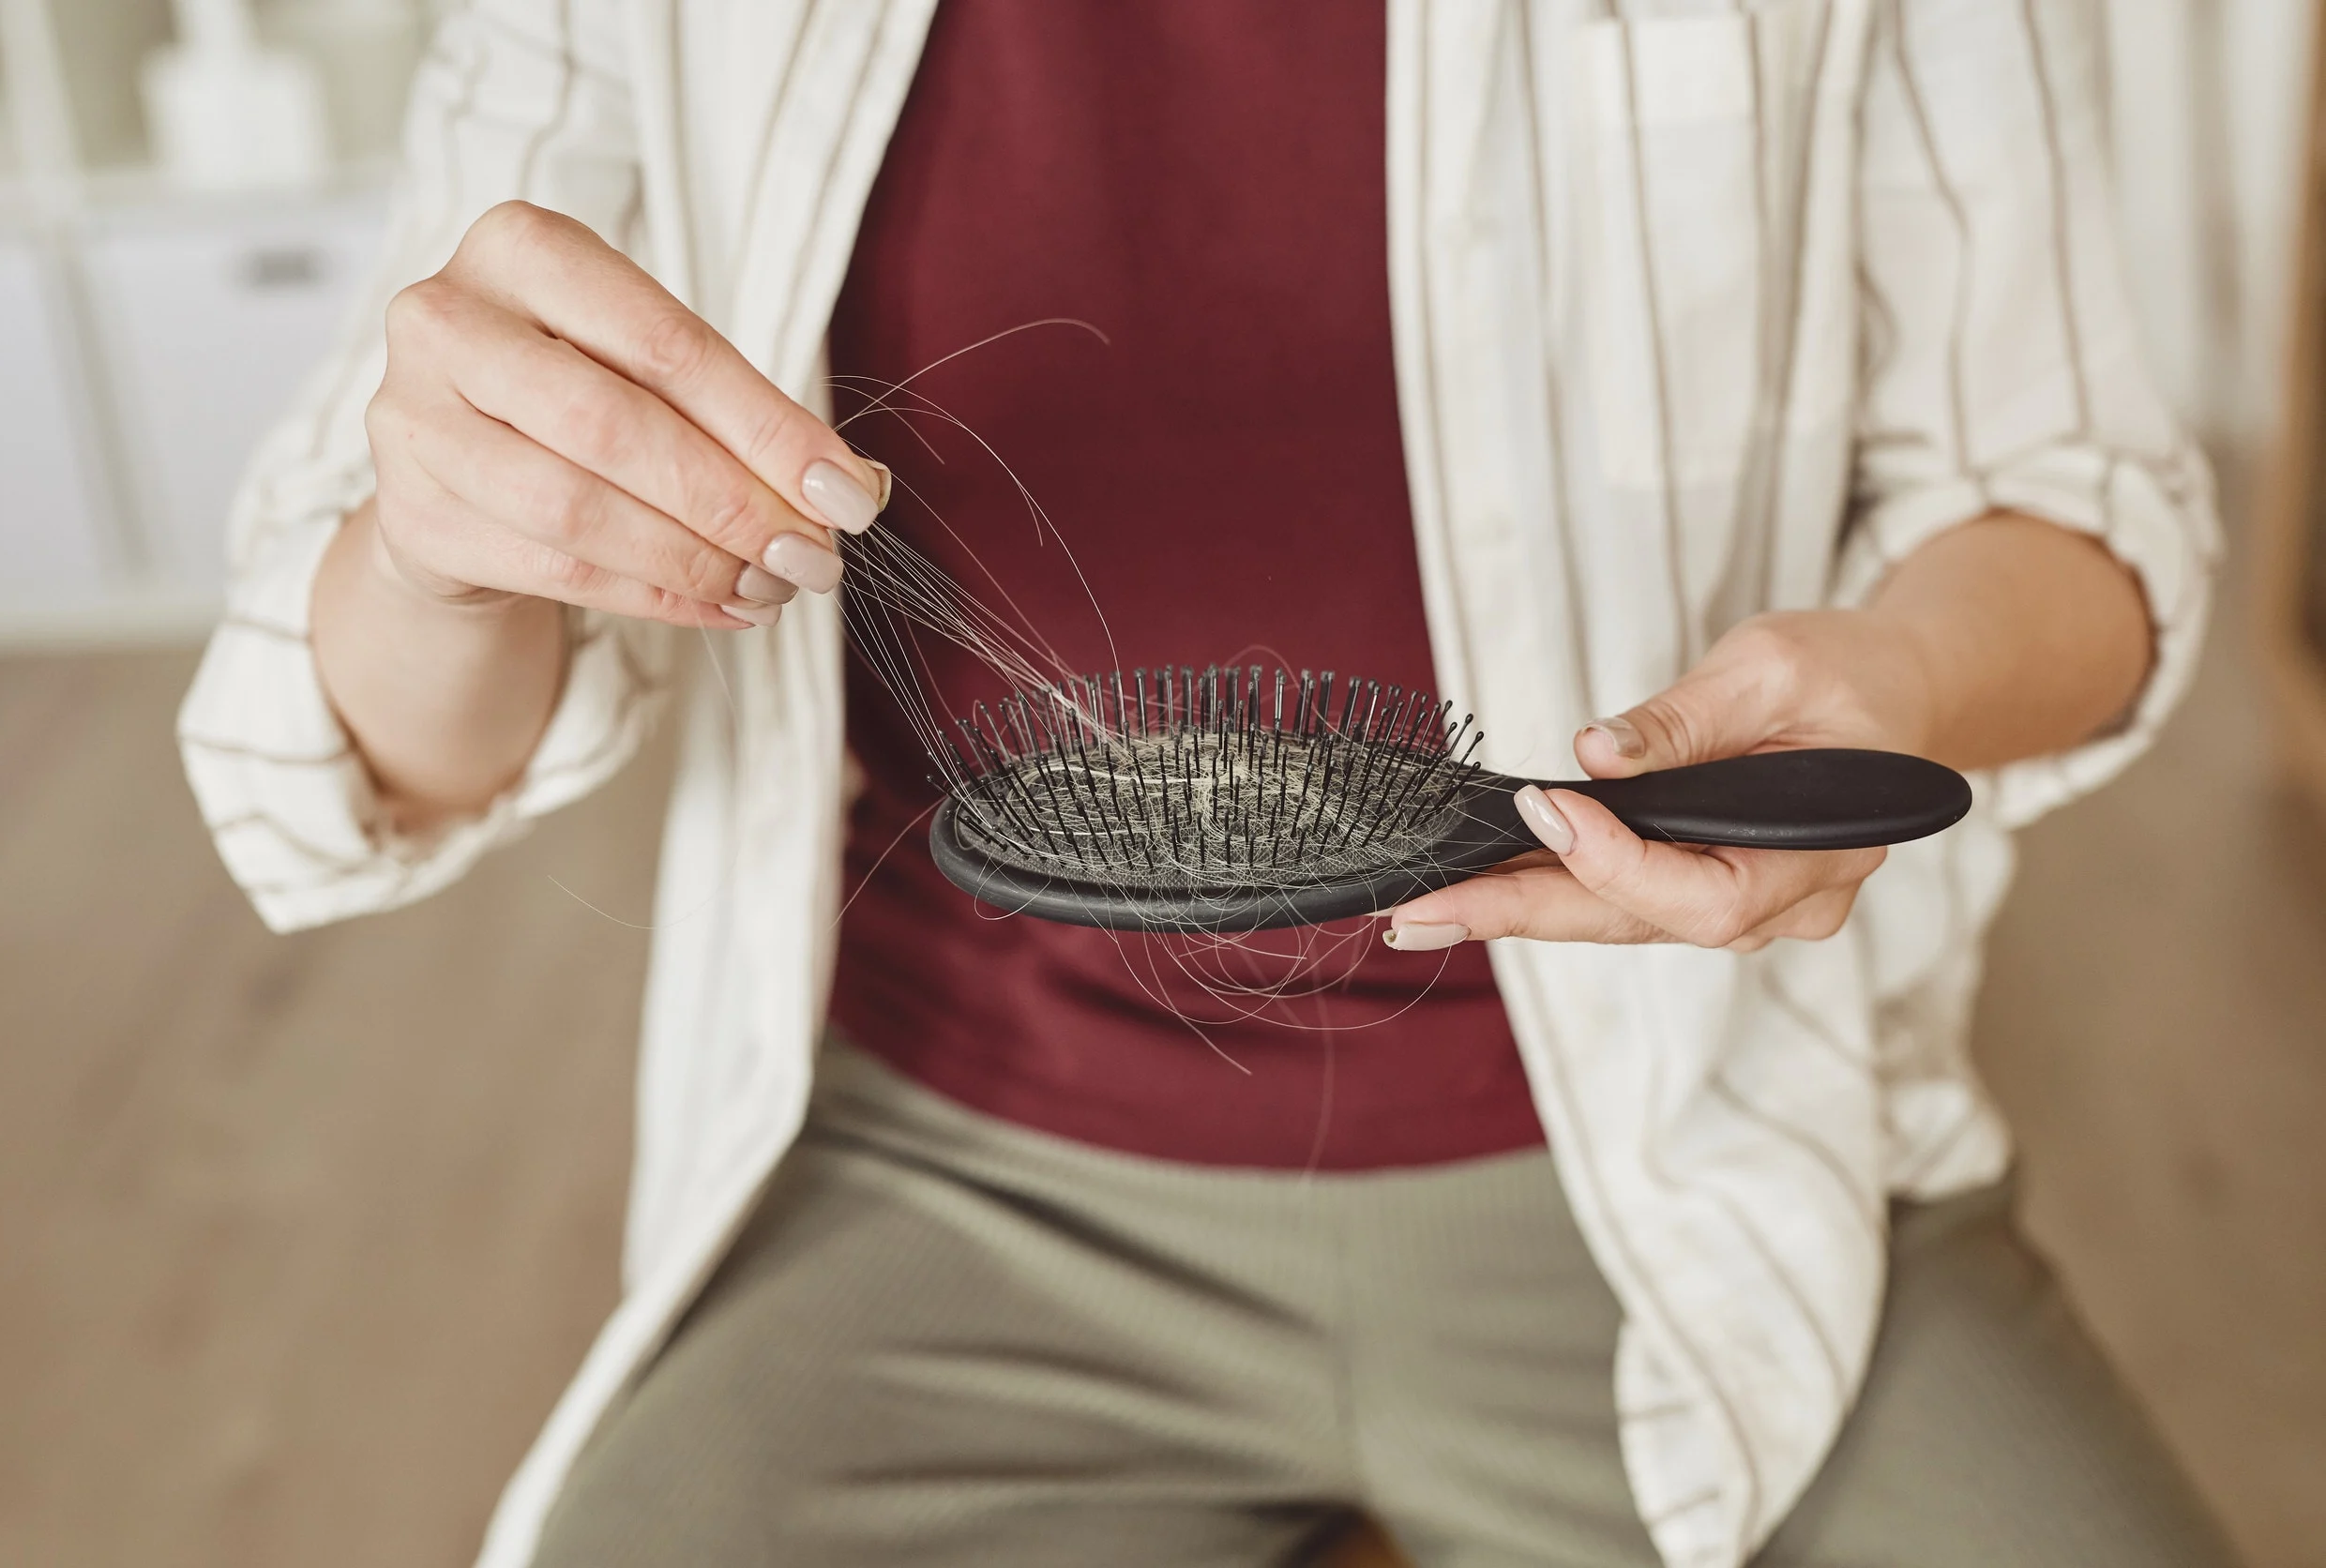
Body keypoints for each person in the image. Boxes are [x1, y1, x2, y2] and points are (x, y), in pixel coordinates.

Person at [178, 2, 2239, 1565]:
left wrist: (1893, 680)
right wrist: (440, 539)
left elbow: (2073, 512)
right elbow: (343, 747)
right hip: (942, 1184)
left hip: (1714, 1142)